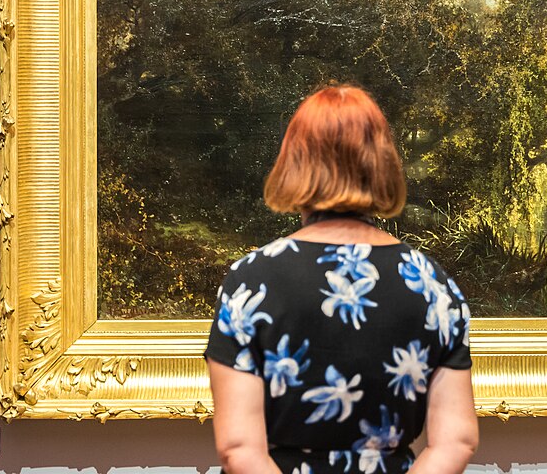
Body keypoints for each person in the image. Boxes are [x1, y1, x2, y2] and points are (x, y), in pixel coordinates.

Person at [205, 84, 478, 474]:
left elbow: (238, 448)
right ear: (381, 162)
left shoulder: (251, 281)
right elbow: (456, 440)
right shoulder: (431, 284)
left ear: (295, 161)